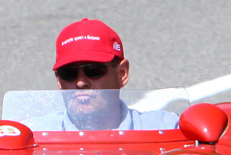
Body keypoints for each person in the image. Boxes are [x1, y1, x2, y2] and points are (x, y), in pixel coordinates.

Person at [25, 18, 178, 131]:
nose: (80, 82)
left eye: (93, 70)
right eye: (68, 73)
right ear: (58, 81)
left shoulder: (167, 129)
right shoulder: (32, 135)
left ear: (122, 74)